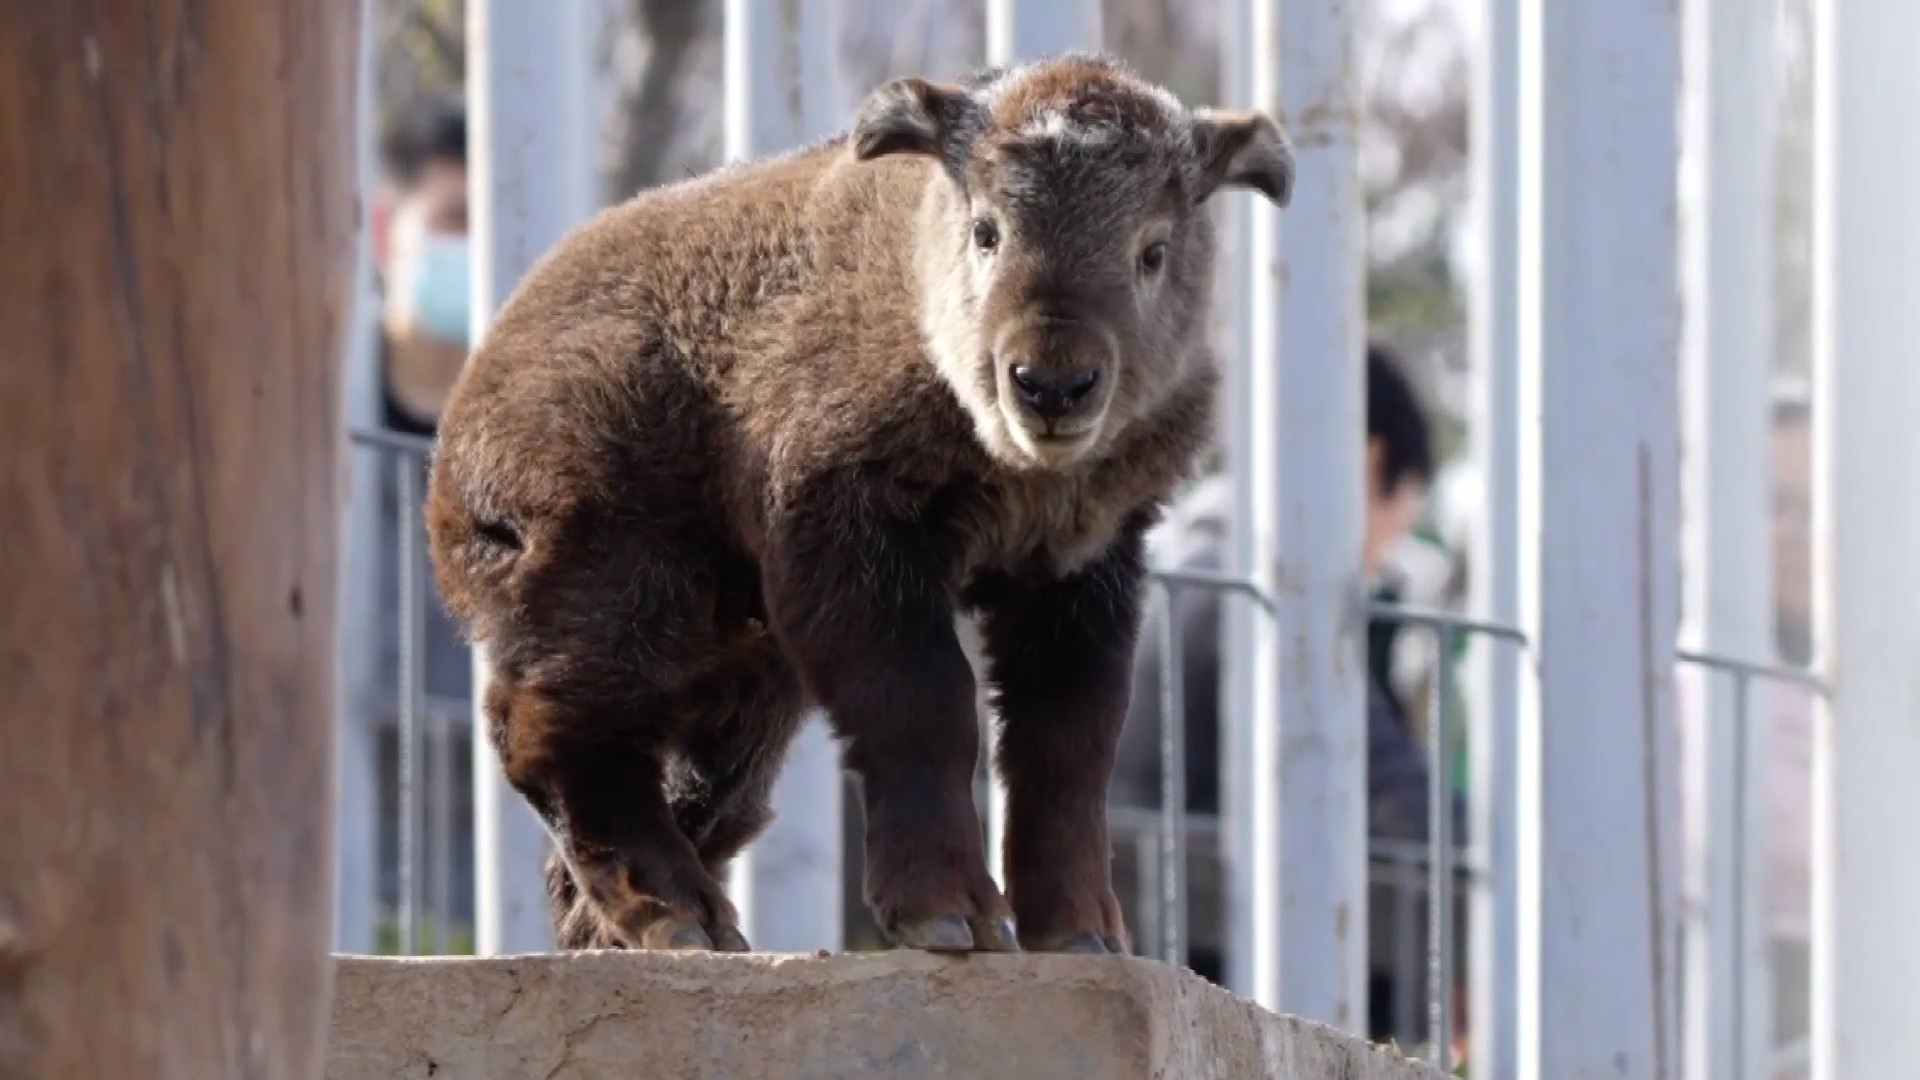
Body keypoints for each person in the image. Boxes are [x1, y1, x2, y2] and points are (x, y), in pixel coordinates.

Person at [1108, 341, 1465, 1042]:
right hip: (1208, 971)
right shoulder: (1271, 601)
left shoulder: (1200, 572)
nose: (1385, 559)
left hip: (1160, 939)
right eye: (1397, 523)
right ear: (1370, 463)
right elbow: (1399, 804)